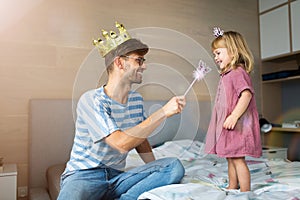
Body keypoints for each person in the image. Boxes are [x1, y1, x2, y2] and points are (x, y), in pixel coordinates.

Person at [57, 23, 186, 200]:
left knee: (173, 166)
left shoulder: (136, 100)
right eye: (138, 60)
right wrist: (163, 112)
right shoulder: (92, 100)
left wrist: (153, 168)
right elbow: (120, 144)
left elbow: (140, 140)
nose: (144, 66)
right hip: (84, 176)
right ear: (119, 62)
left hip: (117, 176)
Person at [205, 28, 262, 192]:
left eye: (218, 53)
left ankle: (245, 191)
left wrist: (234, 116)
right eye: (214, 54)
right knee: (230, 158)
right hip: (230, 126)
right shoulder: (227, 74)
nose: (216, 58)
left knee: (238, 159)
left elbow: (246, 95)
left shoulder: (237, 72)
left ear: (233, 51)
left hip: (238, 125)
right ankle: (232, 186)